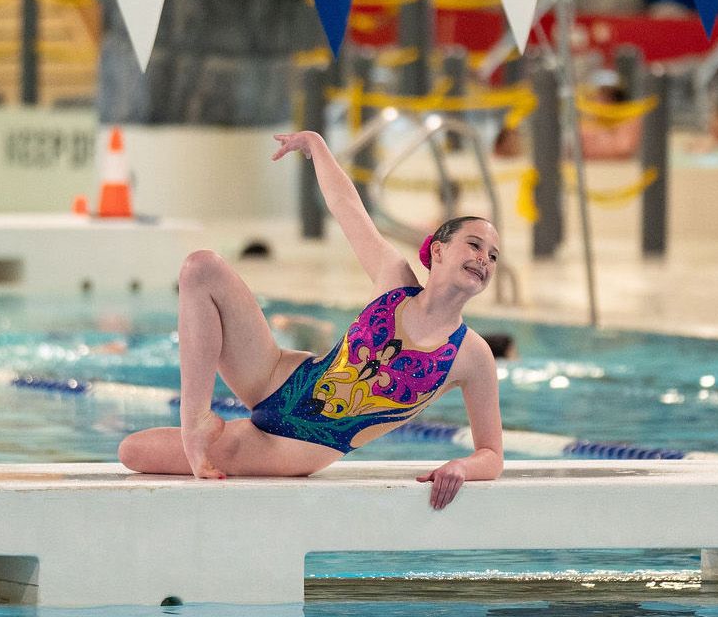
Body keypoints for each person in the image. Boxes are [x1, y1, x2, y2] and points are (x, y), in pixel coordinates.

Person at [117, 131, 506, 511]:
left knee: (132, 451)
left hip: (298, 446)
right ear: (438, 250)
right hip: (276, 375)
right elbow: (348, 209)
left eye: (492, 256)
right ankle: (196, 418)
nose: (483, 260)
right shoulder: (394, 279)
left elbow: (491, 454)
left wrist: (462, 467)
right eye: (474, 245)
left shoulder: (472, 354)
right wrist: (316, 146)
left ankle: (203, 432)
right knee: (200, 267)